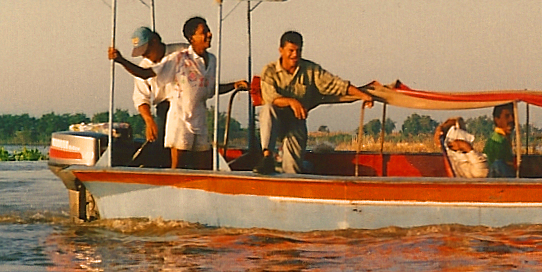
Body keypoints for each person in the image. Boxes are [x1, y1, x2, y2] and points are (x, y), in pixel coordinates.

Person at [109, 16, 247, 170]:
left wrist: (234, 85)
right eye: (204, 32)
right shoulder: (177, 58)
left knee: (202, 163)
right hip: (174, 112)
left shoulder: (204, 58)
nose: (209, 35)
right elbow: (143, 79)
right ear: (191, 38)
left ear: (154, 42)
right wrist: (121, 60)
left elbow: (208, 88)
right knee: (173, 160)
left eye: (146, 51)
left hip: (199, 116)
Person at [254, 31, 374, 174]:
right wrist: (292, 102)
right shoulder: (269, 70)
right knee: (268, 109)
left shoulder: (310, 70)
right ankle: (267, 157)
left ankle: (305, 166)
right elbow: (270, 98)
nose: (294, 55)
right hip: (276, 120)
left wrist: (363, 95)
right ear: (281, 50)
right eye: (290, 51)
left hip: (296, 121)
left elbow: (336, 84)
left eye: (298, 51)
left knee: (292, 170)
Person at [128, 26, 185, 167]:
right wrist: (148, 120)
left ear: (155, 41)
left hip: (187, 104)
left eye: (146, 52)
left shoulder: (182, 51)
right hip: (164, 106)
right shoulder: (143, 66)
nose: (145, 56)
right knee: (159, 143)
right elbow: (141, 97)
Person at [484, 103, 517, 178]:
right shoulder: (497, 141)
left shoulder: (504, 138)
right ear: (497, 119)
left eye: (513, 116)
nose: (511, 119)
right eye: (507, 116)